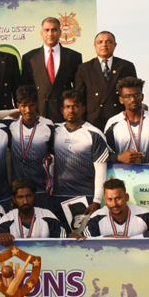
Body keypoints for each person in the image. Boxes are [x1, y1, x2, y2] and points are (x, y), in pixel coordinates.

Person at [51, 90, 109, 229]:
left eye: (75, 106)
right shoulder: (53, 130)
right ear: (62, 110)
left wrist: (96, 200)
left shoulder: (94, 134)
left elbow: (101, 171)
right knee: (60, 242)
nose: (71, 110)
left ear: (83, 109)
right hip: (58, 198)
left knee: (83, 241)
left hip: (85, 198)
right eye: (67, 107)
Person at [1, 85, 54, 210]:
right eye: (23, 106)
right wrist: (11, 112)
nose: (28, 110)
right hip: (19, 191)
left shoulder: (48, 125)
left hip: (41, 189)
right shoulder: (10, 124)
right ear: (18, 105)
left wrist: (50, 157)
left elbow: (52, 152)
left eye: (31, 105)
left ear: (37, 104)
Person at [20, 17, 82, 123]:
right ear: (41, 33)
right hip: (38, 114)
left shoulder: (73, 57)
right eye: (47, 30)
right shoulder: (29, 58)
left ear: (60, 32)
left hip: (64, 114)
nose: (50, 33)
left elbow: (77, 89)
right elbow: (26, 89)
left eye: (54, 30)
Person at [73, 31, 137, 131]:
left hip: (120, 120)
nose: (104, 45)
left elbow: (134, 94)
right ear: (95, 45)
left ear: (115, 45)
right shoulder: (84, 68)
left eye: (109, 42)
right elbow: (79, 97)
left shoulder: (126, 66)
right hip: (93, 121)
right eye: (100, 42)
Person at [81, 179, 149, 238]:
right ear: (105, 199)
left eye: (118, 198)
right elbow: (86, 242)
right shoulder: (97, 217)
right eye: (110, 199)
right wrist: (107, 238)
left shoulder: (145, 215)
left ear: (126, 197)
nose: (114, 204)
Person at [0, 178, 66, 247]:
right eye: (20, 197)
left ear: (34, 196)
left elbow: (64, 242)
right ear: (14, 199)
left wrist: (71, 237)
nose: (25, 201)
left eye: (28, 196)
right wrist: (1, 237)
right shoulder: (7, 220)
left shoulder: (48, 216)